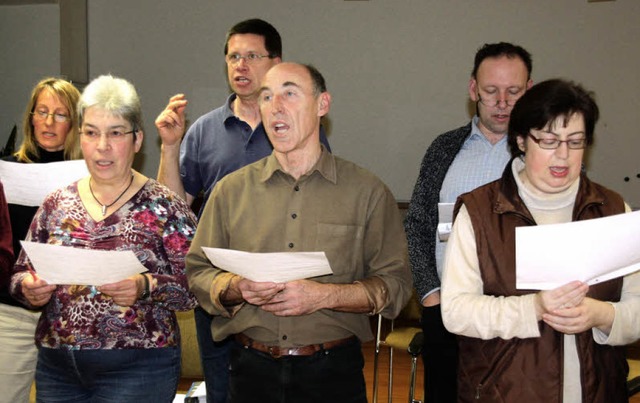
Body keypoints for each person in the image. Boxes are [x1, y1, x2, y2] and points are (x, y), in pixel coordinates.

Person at [185, 62, 412, 403]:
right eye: (266, 96)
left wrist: (324, 296)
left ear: (323, 104)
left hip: (332, 375)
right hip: (249, 373)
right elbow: (198, 271)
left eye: (289, 93)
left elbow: (395, 286)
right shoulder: (230, 192)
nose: (275, 107)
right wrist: (235, 288)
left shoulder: (367, 192)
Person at [155, 18, 330, 403]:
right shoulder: (203, 130)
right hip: (222, 287)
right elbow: (174, 207)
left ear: (276, 62)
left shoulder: (296, 126)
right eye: (234, 57)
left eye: (252, 56)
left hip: (282, 284)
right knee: (223, 390)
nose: (241, 66)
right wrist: (169, 146)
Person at [441, 79, 640, 402]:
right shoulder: (480, 212)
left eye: (575, 142)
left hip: (598, 390)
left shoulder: (613, 210)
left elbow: (637, 307)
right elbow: (457, 311)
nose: (563, 156)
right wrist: (534, 306)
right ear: (521, 140)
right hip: (505, 392)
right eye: (549, 141)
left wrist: (601, 315)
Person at [9, 74, 198, 403]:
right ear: (80, 136)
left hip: (137, 369)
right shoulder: (56, 202)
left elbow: (198, 285)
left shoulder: (165, 205)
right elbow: (19, 272)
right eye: (91, 133)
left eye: (115, 133)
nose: (102, 147)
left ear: (137, 139)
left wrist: (146, 286)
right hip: (58, 369)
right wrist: (28, 287)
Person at [403, 42, 533, 402]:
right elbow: (418, 224)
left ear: (530, 90)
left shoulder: (547, 151)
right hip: (448, 314)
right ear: (473, 88)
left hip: (522, 317)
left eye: (514, 91)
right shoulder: (444, 149)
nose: (503, 102)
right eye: (491, 91)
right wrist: (430, 295)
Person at [0, 77, 82, 403]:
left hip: (70, 315)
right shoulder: (5, 172)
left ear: (75, 124)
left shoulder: (92, 177)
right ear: (31, 117)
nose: (48, 122)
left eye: (60, 115)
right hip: (12, 311)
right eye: (42, 111)